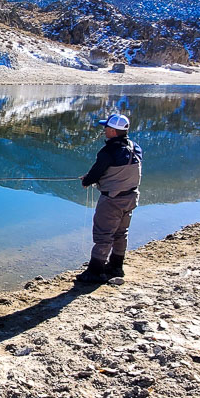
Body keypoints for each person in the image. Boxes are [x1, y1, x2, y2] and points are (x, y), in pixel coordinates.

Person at [76, 113, 143, 284]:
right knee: (121, 233)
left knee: (103, 234)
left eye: (106, 127)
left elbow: (97, 172)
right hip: (131, 197)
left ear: (113, 130)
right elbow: (117, 170)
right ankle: (116, 266)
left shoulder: (108, 152)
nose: (104, 129)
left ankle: (95, 272)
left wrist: (88, 180)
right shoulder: (135, 148)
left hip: (112, 199)